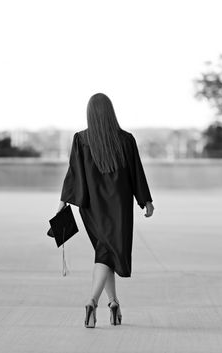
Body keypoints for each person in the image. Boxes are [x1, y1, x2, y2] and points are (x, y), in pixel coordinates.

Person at [57, 93, 155, 328]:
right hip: (119, 208)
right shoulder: (125, 139)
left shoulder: (81, 139)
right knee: (107, 254)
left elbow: (73, 175)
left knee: (105, 253)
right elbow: (136, 173)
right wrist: (146, 200)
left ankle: (113, 303)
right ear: (111, 112)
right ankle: (92, 301)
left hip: (92, 208)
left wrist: (62, 204)